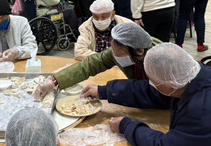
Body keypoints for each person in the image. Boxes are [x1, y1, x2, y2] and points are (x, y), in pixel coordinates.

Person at [35, 23, 163, 98]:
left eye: (119, 54)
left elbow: (150, 91)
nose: (114, 56)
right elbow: (91, 64)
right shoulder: (122, 49)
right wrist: (55, 81)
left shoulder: (161, 59)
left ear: (139, 52)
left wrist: (104, 91)